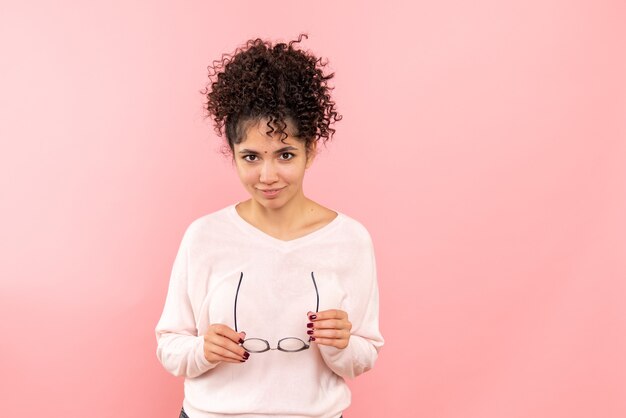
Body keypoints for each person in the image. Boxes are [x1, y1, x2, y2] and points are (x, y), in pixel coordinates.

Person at [155, 33, 384, 418]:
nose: (268, 175)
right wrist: (202, 350)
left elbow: (364, 353)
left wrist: (343, 344)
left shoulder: (350, 240)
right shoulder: (204, 237)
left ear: (310, 150)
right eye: (251, 157)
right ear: (233, 155)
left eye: (285, 154)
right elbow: (170, 345)